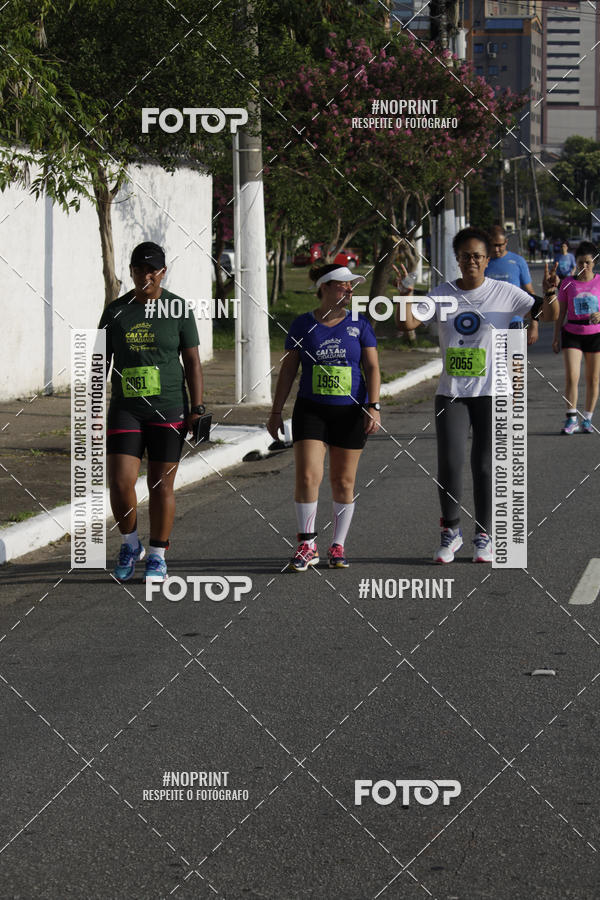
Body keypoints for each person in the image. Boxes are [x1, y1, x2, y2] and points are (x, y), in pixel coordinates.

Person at [396, 227, 558, 564]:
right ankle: (450, 532)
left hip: (492, 391)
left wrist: (551, 294)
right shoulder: (441, 294)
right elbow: (407, 324)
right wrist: (405, 294)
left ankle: (483, 536)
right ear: (457, 259)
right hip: (451, 393)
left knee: (485, 466)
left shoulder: (505, 292)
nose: (472, 261)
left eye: (478, 256)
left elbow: (551, 316)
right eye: (466, 255)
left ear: (487, 260)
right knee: (450, 463)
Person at [99, 241, 204, 582]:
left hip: (168, 408)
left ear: (163, 272)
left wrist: (197, 407)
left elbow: (191, 360)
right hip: (126, 409)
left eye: (153, 269)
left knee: (161, 486)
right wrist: (94, 408)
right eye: (140, 269)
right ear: (130, 272)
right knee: (120, 481)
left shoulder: (178, 309)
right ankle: (130, 544)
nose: (147, 275)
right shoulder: (116, 311)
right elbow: (100, 363)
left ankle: (158, 554)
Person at [267, 263, 381, 571]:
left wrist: (374, 405)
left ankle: (338, 545)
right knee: (307, 476)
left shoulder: (360, 324)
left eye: (351, 287)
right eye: (343, 285)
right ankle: (307, 544)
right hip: (311, 409)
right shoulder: (303, 324)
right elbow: (289, 369)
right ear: (325, 287)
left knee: (343, 481)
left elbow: (371, 368)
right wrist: (276, 411)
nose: (349, 291)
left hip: (350, 411)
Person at [552, 240, 600, 434]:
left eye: (588, 262)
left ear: (594, 262)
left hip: (595, 334)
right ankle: (571, 418)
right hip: (572, 333)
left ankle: (587, 418)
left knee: (593, 378)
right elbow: (560, 312)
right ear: (576, 263)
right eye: (580, 262)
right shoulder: (567, 283)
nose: (584, 266)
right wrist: (556, 336)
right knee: (572, 376)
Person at [484, 225, 539, 346]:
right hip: (488, 324)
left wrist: (534, 325)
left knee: (515, 364)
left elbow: (530, 294)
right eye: (494, 245)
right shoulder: (482, 262)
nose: (497, 249)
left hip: (514, 323)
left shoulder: (518, 261)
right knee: (492, 364)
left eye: (500, 245)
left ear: (506, 242)